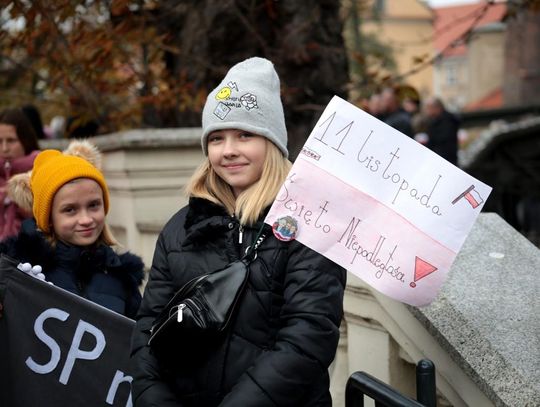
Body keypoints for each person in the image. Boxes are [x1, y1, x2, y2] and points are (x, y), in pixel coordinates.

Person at [130, 57, 346, 406]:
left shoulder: (309, 225)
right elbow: (148, 328)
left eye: (245, 135)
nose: (229, 150)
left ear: (272, 144)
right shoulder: (179, 229)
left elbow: (308, 337)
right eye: (217, 138)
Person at [0, 140, 144, 318]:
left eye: (94, 205)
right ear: (49, 218)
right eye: (70, 210)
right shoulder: (17, 271)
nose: (86, 219)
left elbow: (135, 339)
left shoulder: (121, 277)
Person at [0, 108, 40, 240]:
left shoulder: (41, 172)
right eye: (0, 141)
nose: (4, 148)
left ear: (25, 140)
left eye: (11, 140)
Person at [423, 96, 460, 166]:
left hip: (446, 160)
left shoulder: (448, 120)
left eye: (428, 108)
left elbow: (441, 140)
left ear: (437, 108)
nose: (427, 111)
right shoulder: (434, 120)